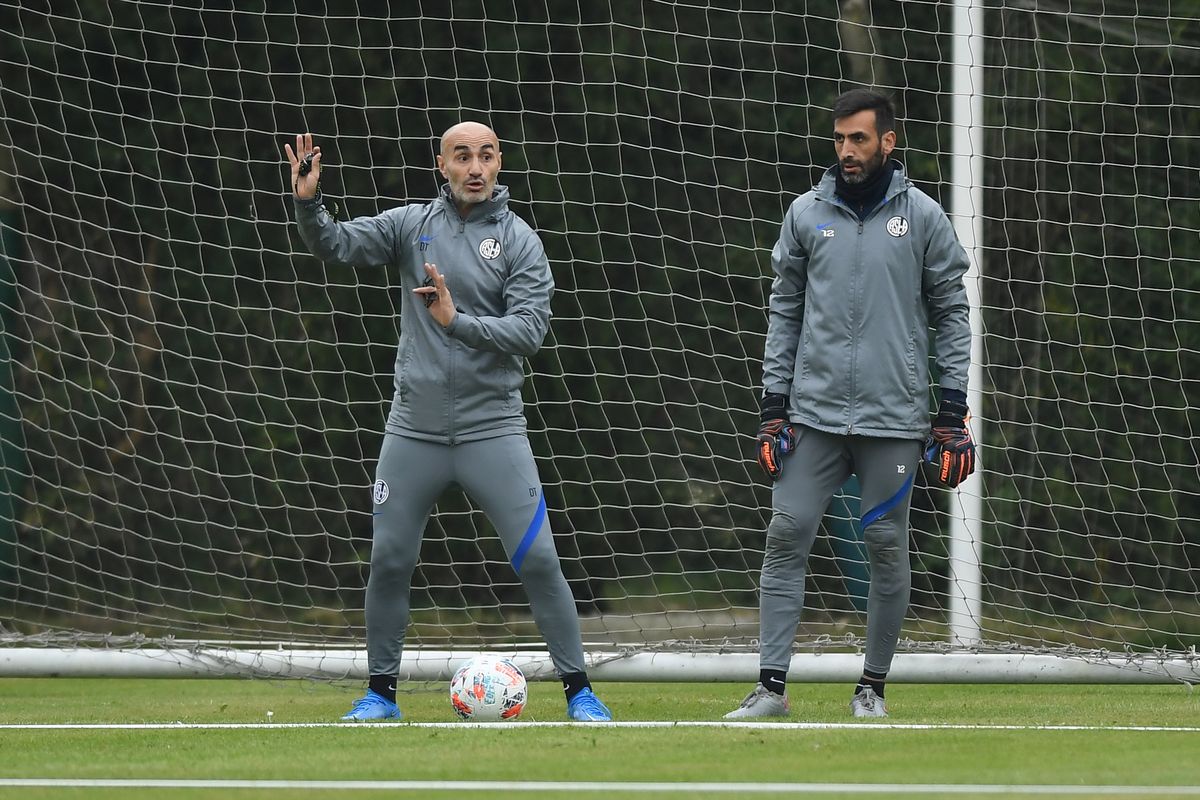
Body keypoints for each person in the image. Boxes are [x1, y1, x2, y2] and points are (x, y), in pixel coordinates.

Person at [284, 123, 612, 722]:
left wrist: (455, 321)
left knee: (539, 558)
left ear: (499, 162)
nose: (475, 167)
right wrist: (308, 204)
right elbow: (335, 245)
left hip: (494, 429)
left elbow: (529, 333)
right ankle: (380, 695)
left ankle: (580, 691)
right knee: (388, 559)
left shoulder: (519, 241)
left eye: (485, 155)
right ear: (443, 164)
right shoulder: (412, 225)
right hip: (414, 431)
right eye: (462, 156)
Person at [726, 88, 975, 720]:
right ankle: (771, 689)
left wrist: (950, 411)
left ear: (888, 142)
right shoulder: (806, 214)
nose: (846, 151)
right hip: (813, 415)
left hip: (895, 418)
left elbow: (952, 314)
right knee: (786, 534)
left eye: (858, 139)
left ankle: (872, 688)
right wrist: (772, 405)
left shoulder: (923, 218)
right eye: (838, 140)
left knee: (886, 541)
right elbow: (784, 313)